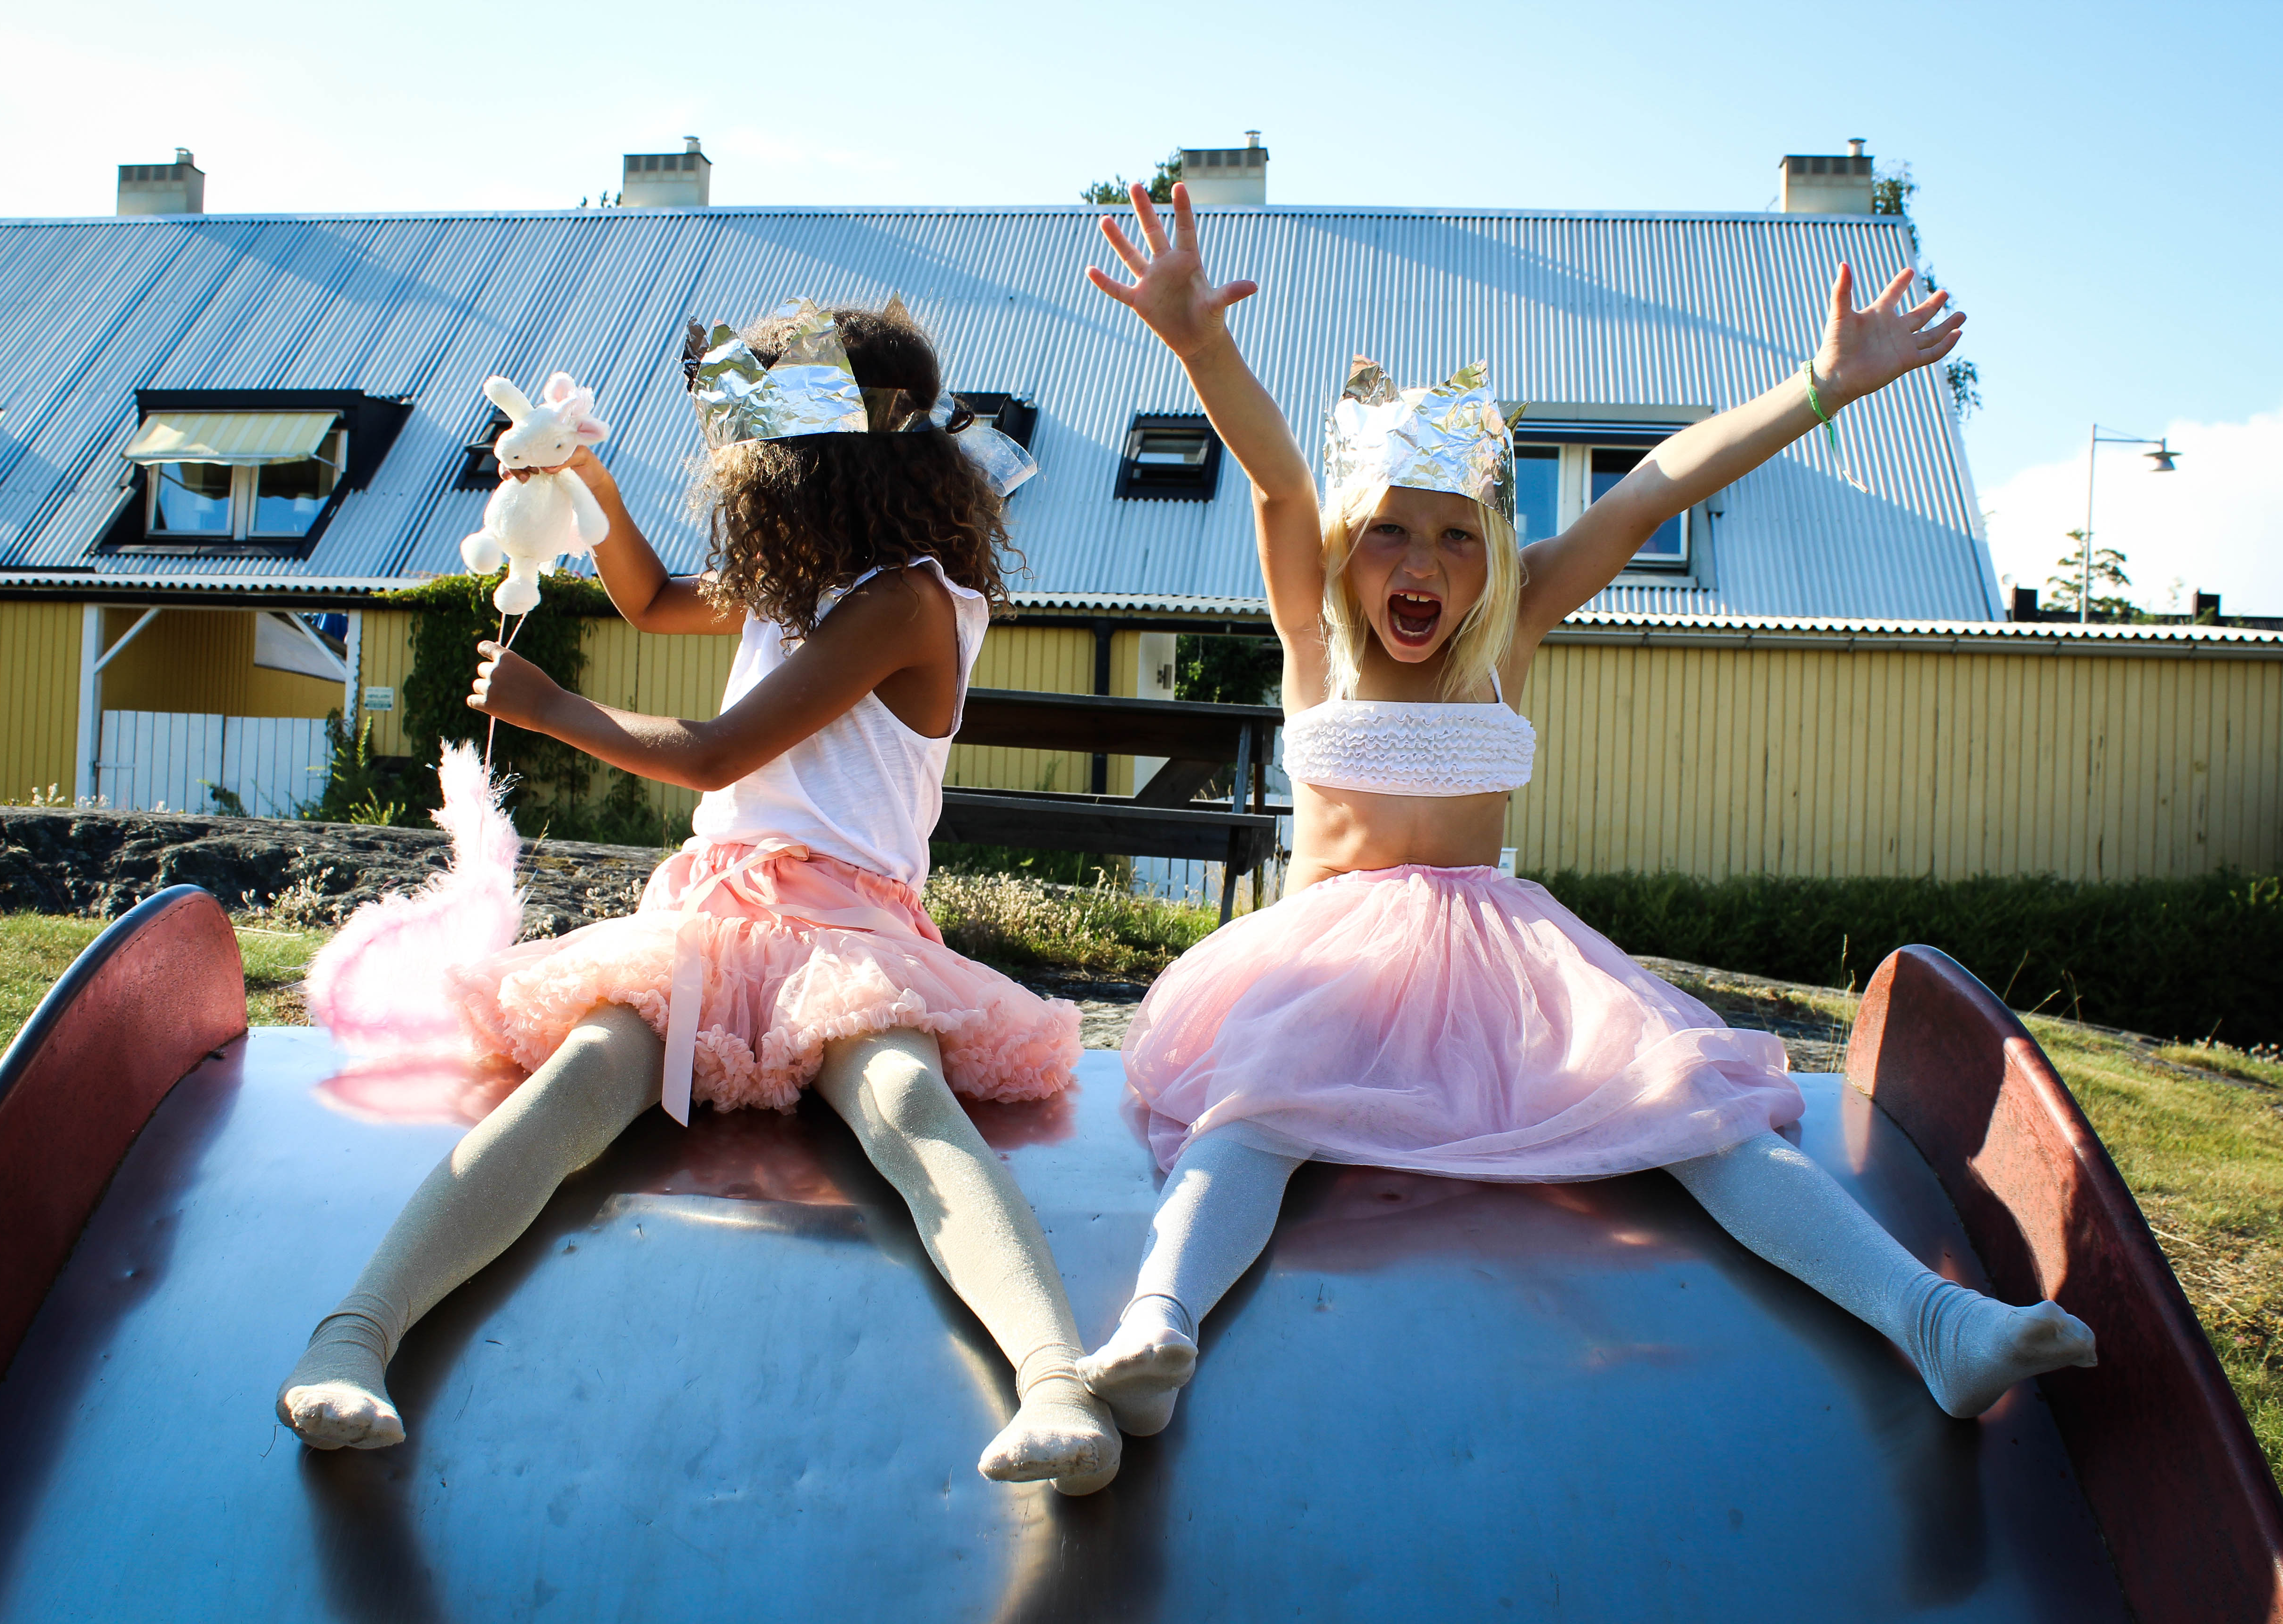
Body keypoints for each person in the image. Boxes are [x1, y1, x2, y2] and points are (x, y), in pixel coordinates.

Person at [1072, 186, 2098, 1440]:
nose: (1421, 564)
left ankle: (1936, 1321)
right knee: (1251, 1119)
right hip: (1322, 968)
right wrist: (1201, 346)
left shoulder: (1513, 630)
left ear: (1494, 559)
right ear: (1347, 552)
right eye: (1390, 533)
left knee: (1692, 1111)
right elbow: (1282, 482)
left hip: (1505, 969)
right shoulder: (1315, 636)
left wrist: (1824, 386)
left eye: (1456, 538)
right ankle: (1157, 1327)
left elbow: (1654, 487)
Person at [278, 299, 1122, 1495]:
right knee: (578, 1087)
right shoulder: (805, 582)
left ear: (818, 467)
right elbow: (650, 599)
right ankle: (352, 1338)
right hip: (710, 919)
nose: (743, 495)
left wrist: (555, 710)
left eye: (757, 465)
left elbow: (720, 753)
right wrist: (594, 491)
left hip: (847, 931)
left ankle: (1055, 1382)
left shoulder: (903, 603)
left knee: (907, 1105)